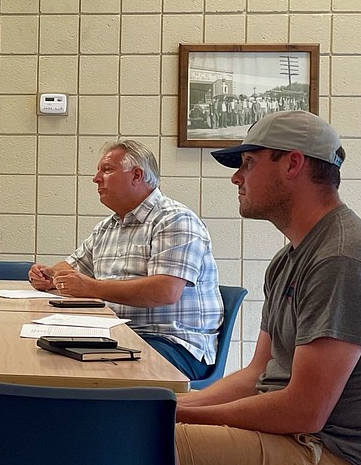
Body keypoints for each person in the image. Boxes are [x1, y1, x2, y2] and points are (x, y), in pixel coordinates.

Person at [176, 110, 361, 465]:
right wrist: (177, 405)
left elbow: (304, 411)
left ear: (292, 163)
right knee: (139, 430)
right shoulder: (290, 258)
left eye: (249, 163)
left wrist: (177, 418)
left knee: (132, 444)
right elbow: (257, 374)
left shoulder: (343, 258)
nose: (237, 177)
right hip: (293, 442)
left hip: (329, 462)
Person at [27, 140, 223, 380]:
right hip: (116, 336)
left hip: (171, 342)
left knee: (81, 375)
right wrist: (49, 276)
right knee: (42, 358)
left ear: (137, 175)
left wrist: (89, 287)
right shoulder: (107, 227)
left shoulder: (175, 220)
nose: (96, 178)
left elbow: (165, 291)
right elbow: (70, 267)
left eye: (107, 170)